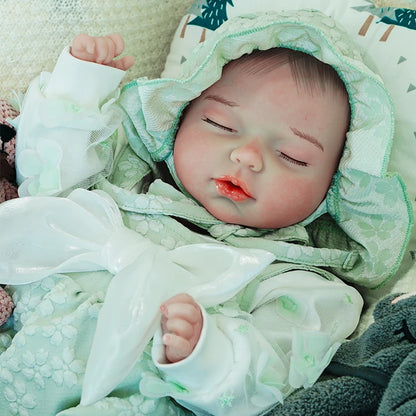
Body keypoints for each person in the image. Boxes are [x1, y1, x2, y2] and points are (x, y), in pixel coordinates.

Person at [0, 9, 412, 416]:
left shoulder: (298, 284)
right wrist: (81, 86)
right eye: (220, 123)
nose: (247, 156)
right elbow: (48, 191)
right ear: (179, 118)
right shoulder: (127, 180)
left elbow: (274, 378)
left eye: (292, 155)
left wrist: (206, 352)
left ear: (334, 189)